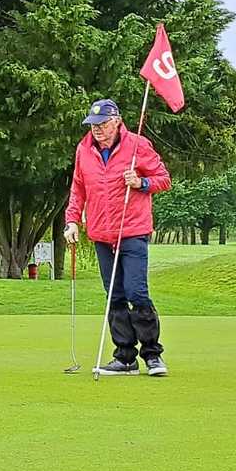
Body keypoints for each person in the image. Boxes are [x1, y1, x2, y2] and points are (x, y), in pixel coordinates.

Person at [63, 98, 172, 376]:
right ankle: (125, 358)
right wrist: (72, 221)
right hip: (101, 233)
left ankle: (152, 355)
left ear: (116, 121)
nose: (97, 129)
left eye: (102, 124)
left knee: (136, 291)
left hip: (133, 230)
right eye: (93, 124)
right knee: (115, 294)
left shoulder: (137, 145)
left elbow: (163, 179)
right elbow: (78, 188)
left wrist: (141, 182)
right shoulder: (84, 149)